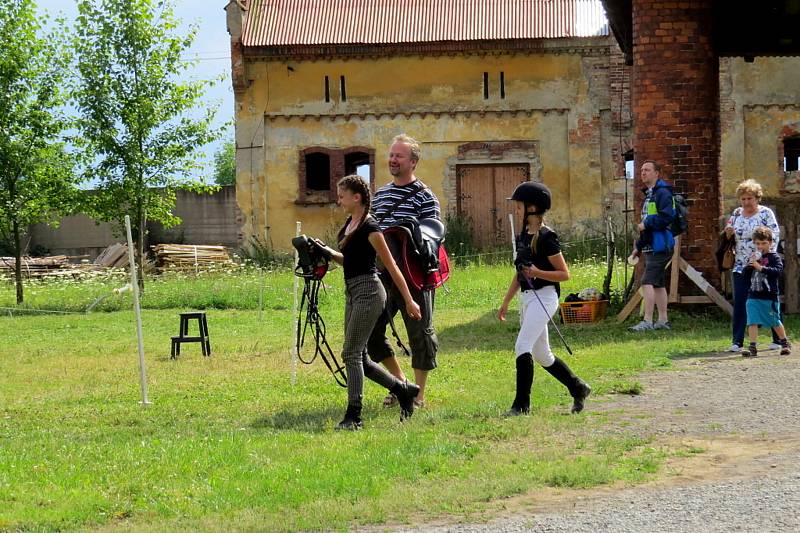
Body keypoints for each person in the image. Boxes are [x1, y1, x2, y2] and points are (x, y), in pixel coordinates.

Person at [313, 175, 422, 430]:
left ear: (356, 197)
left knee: (350, 353)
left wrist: (408, 301)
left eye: (342, 196)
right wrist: (326, 252)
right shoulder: (350, 224)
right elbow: (350, 262)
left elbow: (392, 266)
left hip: (370, 292)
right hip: (352, 292)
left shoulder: (371, 228)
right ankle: (404, 390)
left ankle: (354, 416)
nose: (338, 200)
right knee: (359, 356)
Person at [497, 181, 591, 415]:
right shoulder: (523, 235)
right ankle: (578, 387)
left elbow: (564, 274)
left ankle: (521, 405)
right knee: (542, 355)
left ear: (532, 208)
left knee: (522, 345)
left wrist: (538, 273)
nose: (516, 209)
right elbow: (520, 272)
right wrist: (507, 301)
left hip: (546, 297)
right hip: (528, 298)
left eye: (519, 205)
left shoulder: (547, 237)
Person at [367, 134, 440, 408]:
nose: (393, 160)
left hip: (414, 276)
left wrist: (409, 235)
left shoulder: (425, 196)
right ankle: (401, 385)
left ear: (413, 161)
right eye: (391, 154)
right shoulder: (381, 194)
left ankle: (418, 395)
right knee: (372, 332)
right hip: (381, 275)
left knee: (421, 333)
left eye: (399, 155)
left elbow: (434, 237)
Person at [724, 179, 782, 353]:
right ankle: (737, 341)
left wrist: (763, 257)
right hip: (741, 264)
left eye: (749, 198)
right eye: (743, 199)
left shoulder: (766, 213)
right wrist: (728, 233)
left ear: (757, 198)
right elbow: (728, 235)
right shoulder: (736, 213)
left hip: (762, 265)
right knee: (741, 301)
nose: (746, 202)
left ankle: (778, 339)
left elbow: (775, 235)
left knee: (768, 299)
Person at [628, 160, 675, 332]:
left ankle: (647, 321)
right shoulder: (649, 194)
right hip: (651, 246)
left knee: (647, 282)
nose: (643, 173)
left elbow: (666, 217)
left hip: (661, 245)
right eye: (641, 170)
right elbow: (646, 228)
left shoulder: (662, 193)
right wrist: (638, 248)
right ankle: (663, 320)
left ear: (657, 173)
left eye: (647, 170)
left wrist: (646, 223)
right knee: (658, 283)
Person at [742, 226, 791, 357]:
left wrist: (761, 268)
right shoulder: (754, 257)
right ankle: (752, 346)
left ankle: (784, 343)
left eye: (764, 243)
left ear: (770, 243)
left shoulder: (774, 257)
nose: (760, 246)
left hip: (769, 296)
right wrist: (749, 265)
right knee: (752, 320)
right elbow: (745, 276)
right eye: (758, 243)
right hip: (753, 294)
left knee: (774, 320)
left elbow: (777, 271)